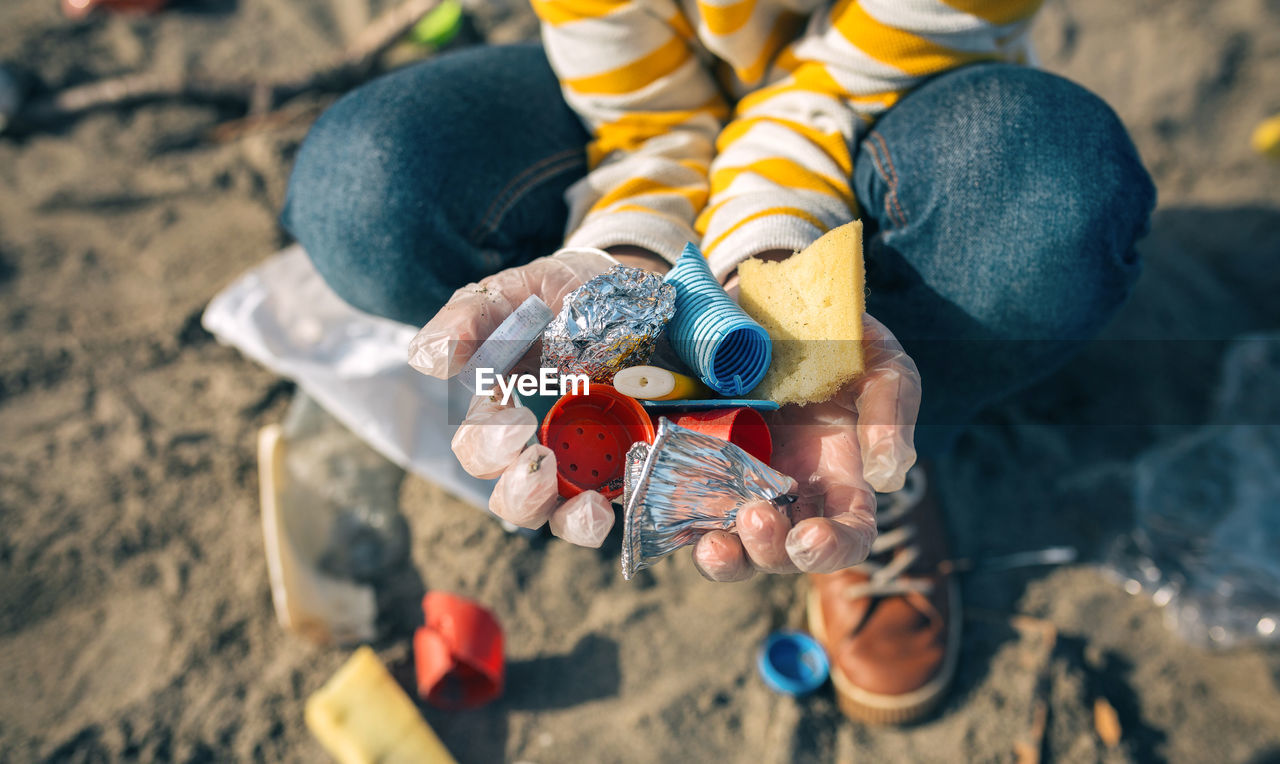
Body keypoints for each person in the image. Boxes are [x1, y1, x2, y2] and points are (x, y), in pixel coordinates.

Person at [280, 0, 1155, 724]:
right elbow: (645, 120)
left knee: (1055, 197)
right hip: (661, 100)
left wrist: (773, 274)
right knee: (362, 192)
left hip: (900, 97)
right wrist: (628, 256)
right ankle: (798, 399)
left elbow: (832, 88)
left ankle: (894, 443)